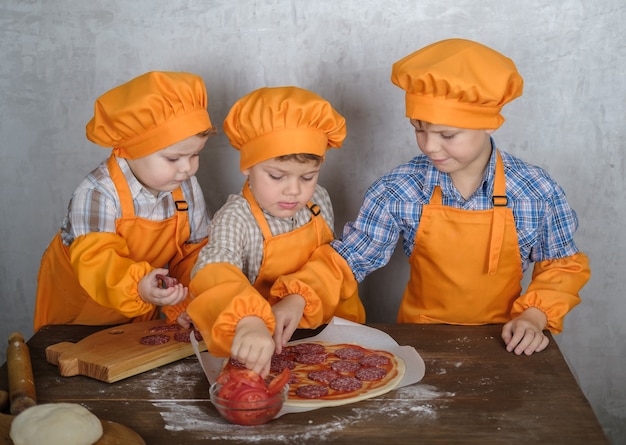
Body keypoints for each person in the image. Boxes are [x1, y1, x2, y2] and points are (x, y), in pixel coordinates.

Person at [270, 38, 591, 356]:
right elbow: (351, 257)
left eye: (447, 135)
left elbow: (561, 266)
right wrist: (300, 295)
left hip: (506, 343)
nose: (430, 146)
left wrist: (535, 315)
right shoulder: (400, 188)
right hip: (421, 341)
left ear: (489, 125)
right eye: (419, 129)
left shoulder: (536, 190)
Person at [186, 86, 365, 376]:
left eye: (307, 176)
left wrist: (302, 299)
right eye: (276, 176)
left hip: (330, 340)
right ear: (247, 166)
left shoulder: (318, 200)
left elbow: (332, 265)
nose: (294, 191)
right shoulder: (236, 218)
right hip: (267, 347)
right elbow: (212, 269)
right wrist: (247, 321)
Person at [34, 71, 216, 332]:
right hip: (76, 314)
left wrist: (184, 301)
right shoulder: (97, 193)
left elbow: (193, 252)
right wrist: (137, 287)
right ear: (132, 149)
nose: (187, 168)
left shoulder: (184, 187)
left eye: (195, 154)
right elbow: (97, 262)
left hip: (139, 308)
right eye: (173, 158)